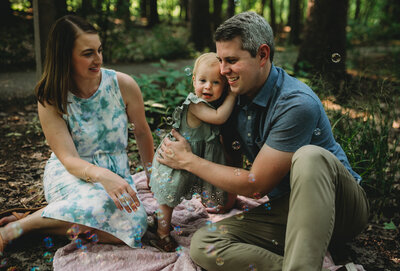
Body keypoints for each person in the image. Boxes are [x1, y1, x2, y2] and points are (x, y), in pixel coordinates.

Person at [156, 11, 369, 270]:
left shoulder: (295, 103)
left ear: (262, 55)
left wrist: (189, 161)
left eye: (232, 60)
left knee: (310, 157)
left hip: (340, 208)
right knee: (205, 244)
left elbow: (256, 185)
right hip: (287, 208)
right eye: (221, 60)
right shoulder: (232, 98)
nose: (223, 71)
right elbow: (231, 165)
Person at [0, 15, 154, 255]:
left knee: (134, 229)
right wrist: (102, 175)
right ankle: (15, 229)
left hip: (115, 174)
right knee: (102, 206)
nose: (98, 59)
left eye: (100, 50)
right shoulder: (51, 96)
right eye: (87, 53)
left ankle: (44, 222)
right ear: (65, 57)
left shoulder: (123, 85)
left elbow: (142, 132)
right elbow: (69, 159)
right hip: (70, 173)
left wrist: (151, 176)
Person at [149, 52, 237, 252]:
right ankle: (162, 233)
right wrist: (233, 93)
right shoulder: (195, 104)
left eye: (216, 82)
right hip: (175, 159)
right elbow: (219, 117)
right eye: (203, 80)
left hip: (193, 158)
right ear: (193, 81)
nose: (208, 86)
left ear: (223, 86)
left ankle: (161, 222)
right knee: (168, 198)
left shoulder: (211, 103)